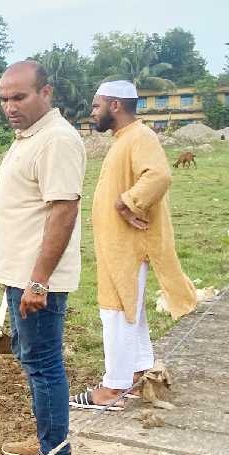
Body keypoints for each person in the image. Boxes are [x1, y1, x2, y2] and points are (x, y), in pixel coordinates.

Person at [0, 60, 110, 455]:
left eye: (19, 97)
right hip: (21, 274)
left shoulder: (58, 139)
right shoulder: (30, 139)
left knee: (44, 366)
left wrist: (39, 281)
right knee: (34, 361)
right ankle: (48, 442)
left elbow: (63, 210)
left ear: (47, 93)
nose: (10, 106)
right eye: (4, 99)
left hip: (36, 279)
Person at [69, 80, 197, 411]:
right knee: (130, 310)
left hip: (129, 245)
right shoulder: (125, 138)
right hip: (118, 245)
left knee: (116, 311)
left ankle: (113, 387)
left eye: (97, 105)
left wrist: (128, 203)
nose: (92, 111)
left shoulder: (140, 137)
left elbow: (158, 176)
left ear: (115, 105)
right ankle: (140, 373)